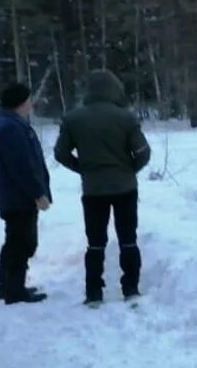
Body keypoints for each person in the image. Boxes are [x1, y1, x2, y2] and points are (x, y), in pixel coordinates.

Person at [54, 70, 152, 306]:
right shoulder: (126, 118)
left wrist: (84, 169)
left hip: (93, 189)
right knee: (128, 238)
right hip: (125, 188)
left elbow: (60, 153)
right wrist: (129, 170)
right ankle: (130, 288)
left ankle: (94, 292)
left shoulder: (73, 119)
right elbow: (143, 152)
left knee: (95, 242)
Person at [0, 83, 51, 304]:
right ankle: (14, 290)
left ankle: (8, 287)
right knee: (21, 243)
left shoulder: (8, 124)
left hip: (13, 196)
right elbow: (20, 165)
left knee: (14, 241)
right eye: (28, 100)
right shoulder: (11, 128)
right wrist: (37, 193)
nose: (31, 104)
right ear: (20, 103)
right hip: (18, 197)